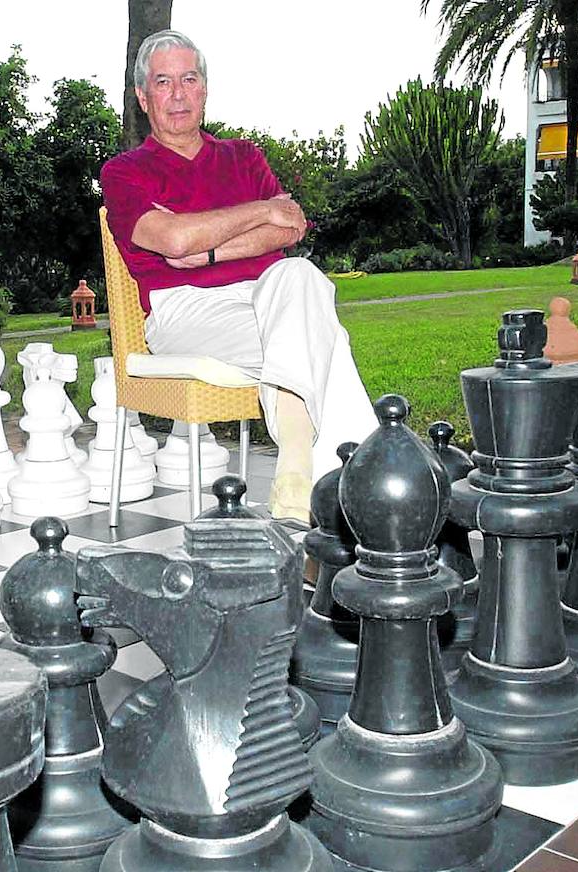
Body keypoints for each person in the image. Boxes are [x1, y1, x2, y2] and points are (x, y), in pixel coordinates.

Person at [101, 29, 377, 524]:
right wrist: (260, 212)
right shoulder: (125, 171)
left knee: (300, 276)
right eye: (164, 83)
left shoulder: (243, 157)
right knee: (323, 340)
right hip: (183, 308)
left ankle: (298, 476)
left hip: (267, 296)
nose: (179, 93)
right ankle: (369, 498)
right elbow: (173, 242)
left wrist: (207, 247)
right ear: (143, 97)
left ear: (205, 88)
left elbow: (291, 225)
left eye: (189, 79)